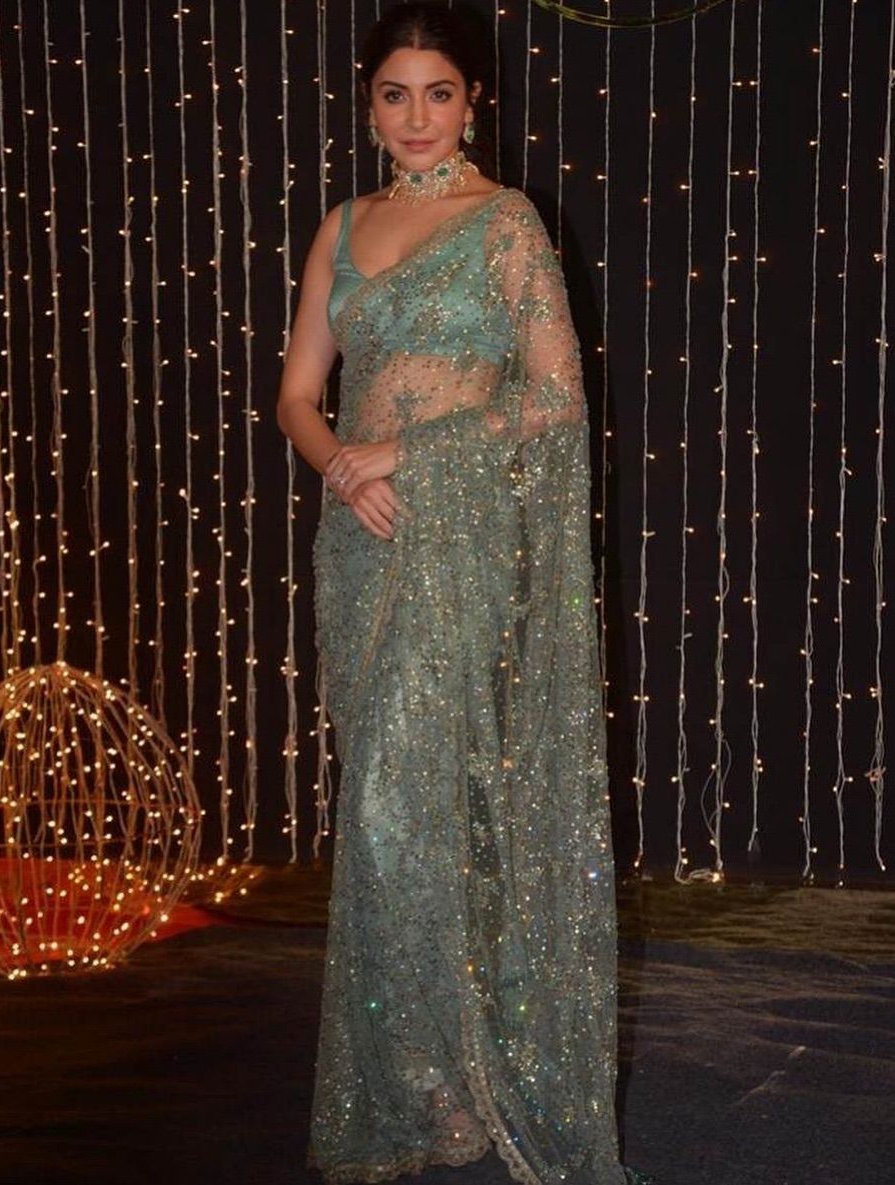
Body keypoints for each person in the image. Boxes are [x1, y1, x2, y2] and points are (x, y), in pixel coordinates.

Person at [277, 4, 655, 1183]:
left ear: (472, 101)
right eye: (396, 93)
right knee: (383, 816)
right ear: (369, 106)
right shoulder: (343, 227)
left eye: (438, 92)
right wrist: (341, 464)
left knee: (419, 811)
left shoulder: (505, 224)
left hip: (461, 539)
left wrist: (405, 454)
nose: (417, 116)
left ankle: (454, 1085)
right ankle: (420, 1075)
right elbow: (296, 394)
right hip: (359, 546)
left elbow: (555, 397)